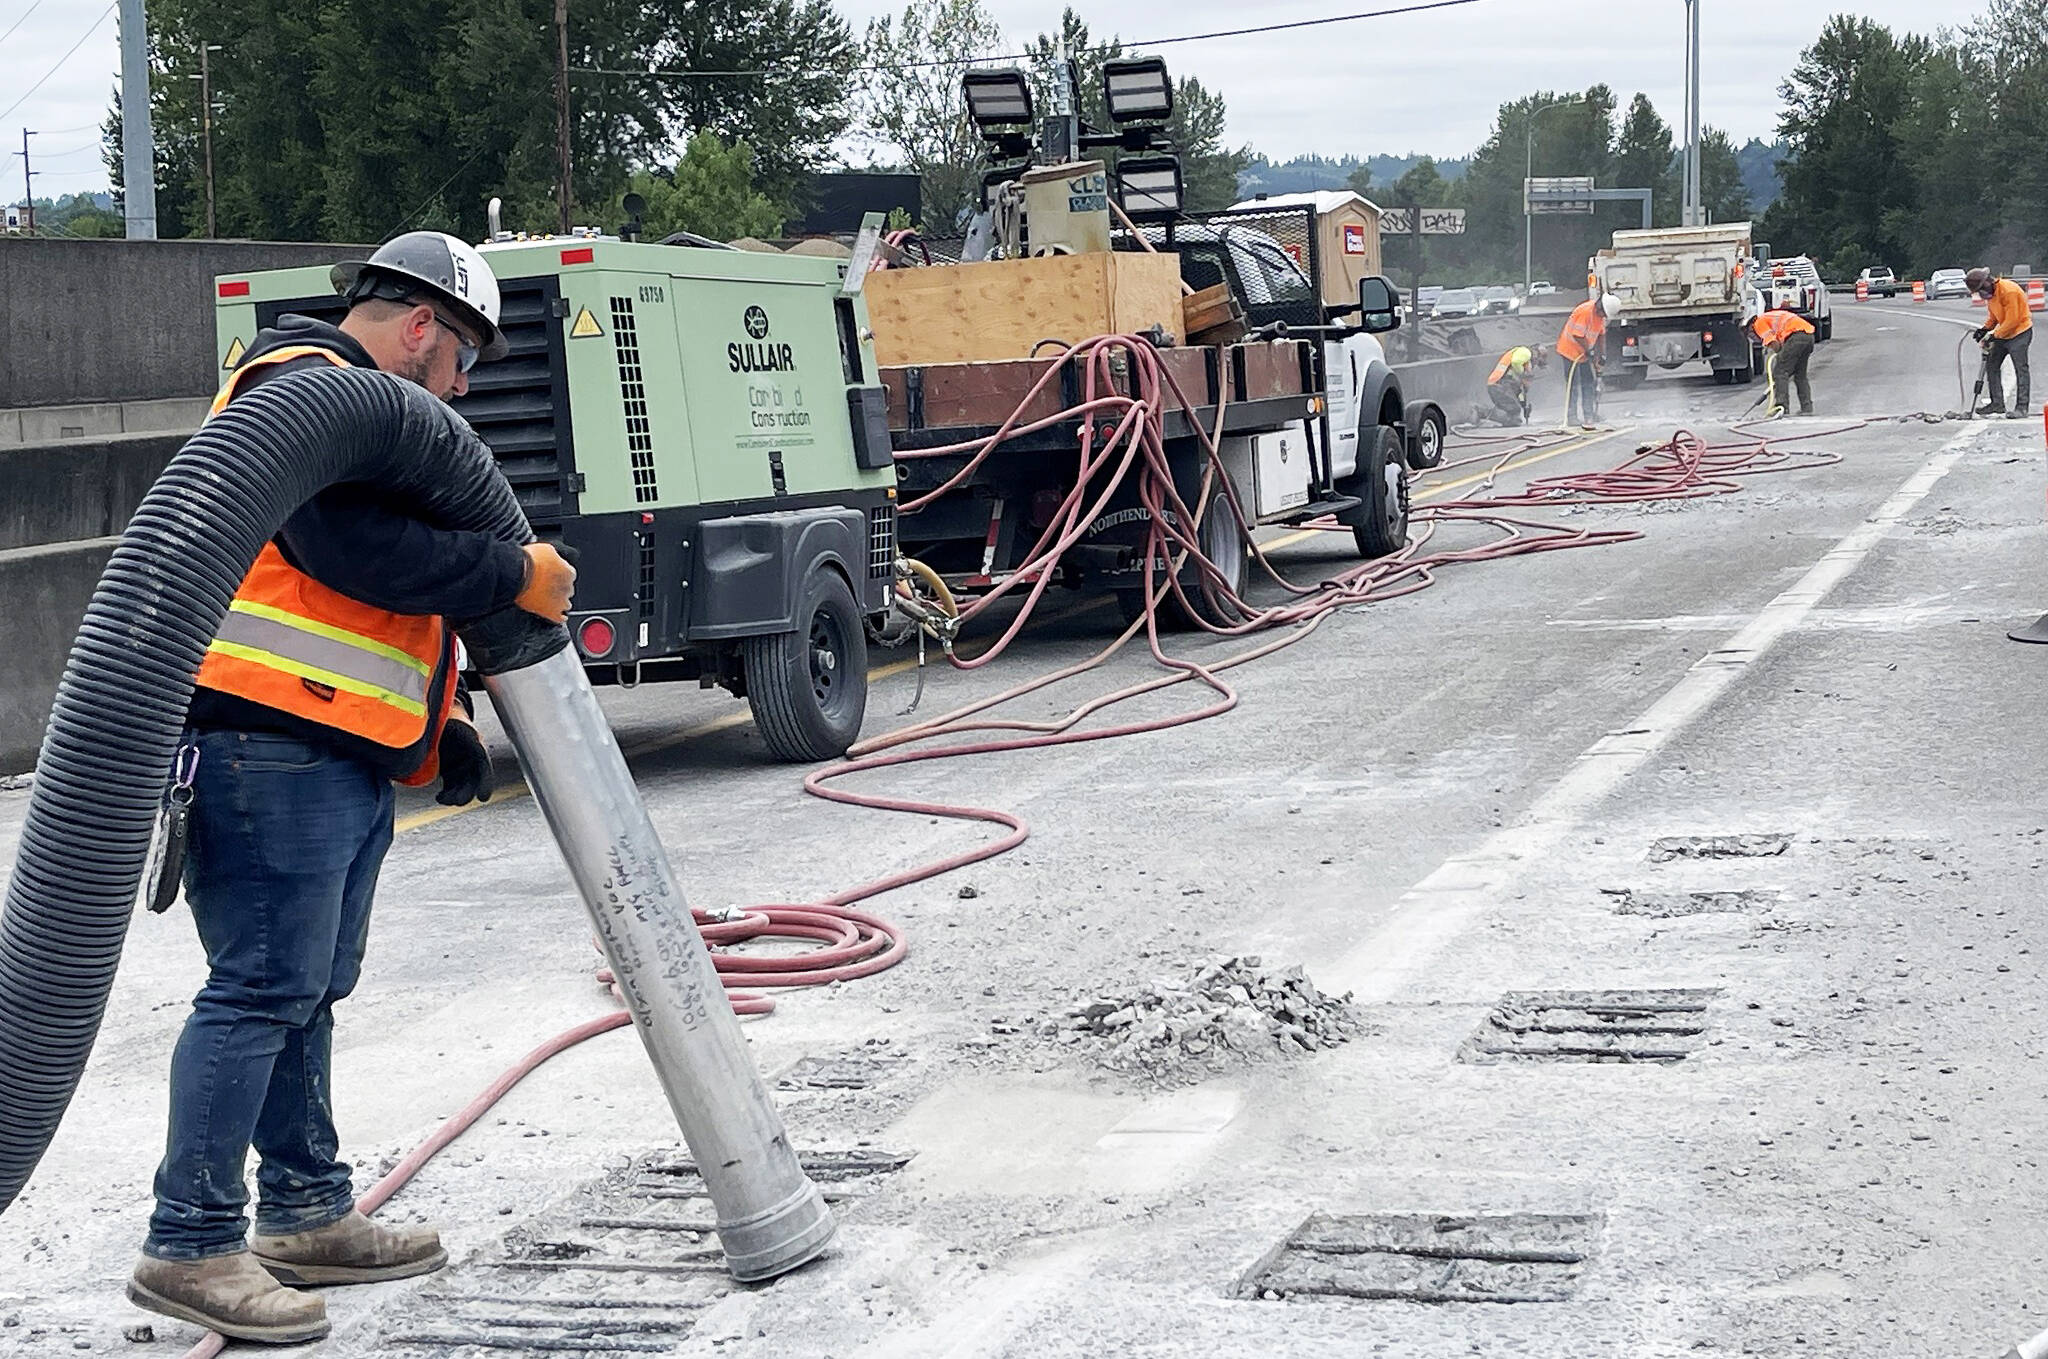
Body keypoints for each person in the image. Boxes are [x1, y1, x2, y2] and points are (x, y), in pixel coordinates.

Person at [126, 232, 579, 1345]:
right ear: (420, 327)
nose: (465, 386)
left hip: (336, 745)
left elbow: (380, 591)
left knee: (308, 986)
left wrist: (450, 709)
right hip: (266, 745)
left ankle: (303, 1209)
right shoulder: (300, 388)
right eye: (463, 356)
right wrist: (509, 572)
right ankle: (189, 1242)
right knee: (260, 987)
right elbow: (348, 553)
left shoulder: (362, 413)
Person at [1966, 267, 2032, 418]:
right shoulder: (1992, 296)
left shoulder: (2009, 291)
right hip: (2003, 334)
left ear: (1989, 282)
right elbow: (1995, 317)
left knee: (2020, 369)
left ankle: (2022, 408)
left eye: (1981, 289)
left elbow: (2013, 320)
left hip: (2020, 332)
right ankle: (1997, 403)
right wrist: (1985, 328)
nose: (1981, 294)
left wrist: (1994, 335)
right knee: (1992, 365)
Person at [1557, 293, 1620, 429]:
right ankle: (1572, 416)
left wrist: (1602, 355)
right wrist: (1590, 351)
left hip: (1584, 352)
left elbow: (1601, 335)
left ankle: (1589, 414)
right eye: (1604, 314)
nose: (1604, 317)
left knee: (1589, 383)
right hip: (1569, 350)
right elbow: (1577, 335)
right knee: (1573, 385)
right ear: (1600, 307)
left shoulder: (1600, 316)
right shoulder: (1585, 312)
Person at [1750, 308, 1816, 417]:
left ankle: (1782, 407)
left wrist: (1780, 354)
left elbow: (1774, 344)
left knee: (1780, 372)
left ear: (1750, 325)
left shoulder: (1758, 323)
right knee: (1800, 375)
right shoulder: (1769, 316)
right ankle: (1807, 407)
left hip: (1796, 337)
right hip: (1808, 337)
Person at [1481, 344, 1547, 425]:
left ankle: (1481, 413)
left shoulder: (1524, 364)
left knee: (1514, 417)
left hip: (1498, 385)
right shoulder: (1526, 352)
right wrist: (1523, 375)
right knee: (1514, 410)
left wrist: (1524, 406)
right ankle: (1480, 412)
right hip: (1498, 384)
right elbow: (1516, 362)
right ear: (1536, 353)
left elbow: (1520, 394)